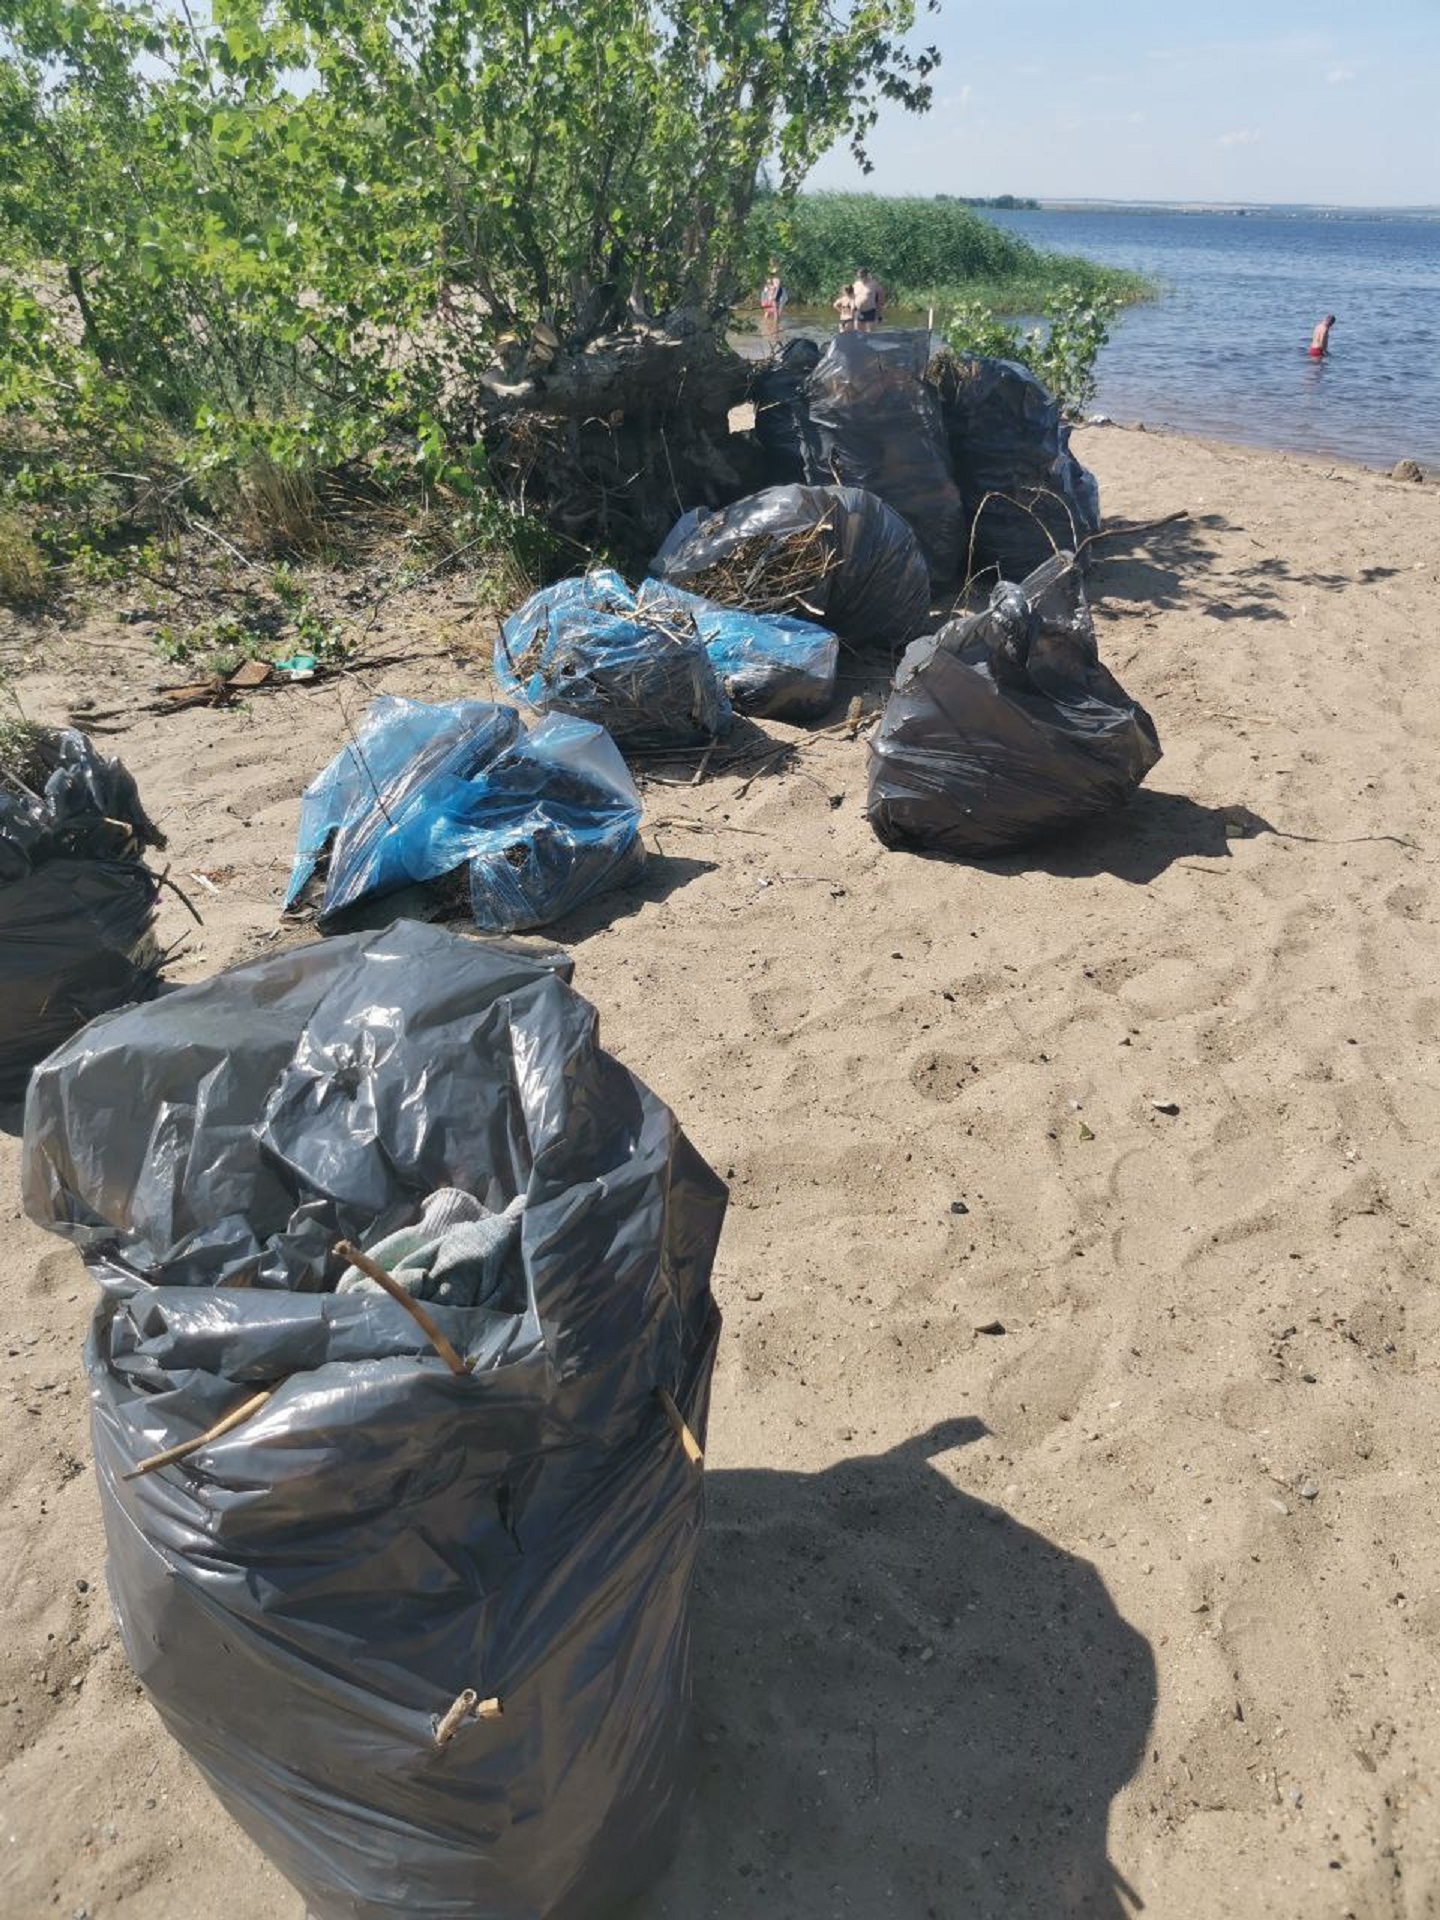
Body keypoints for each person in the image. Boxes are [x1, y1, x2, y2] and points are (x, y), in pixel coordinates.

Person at [759, 266, 787, 339]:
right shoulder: (776, 279)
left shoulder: (770, 278)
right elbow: (776, 288)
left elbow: (767, 289)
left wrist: (767, 297)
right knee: (776, 312)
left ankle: (766, 325)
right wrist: (773, 297)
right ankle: (775, 327)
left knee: (768, 312)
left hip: (769, 296)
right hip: (772, 297)